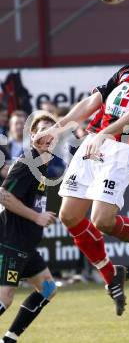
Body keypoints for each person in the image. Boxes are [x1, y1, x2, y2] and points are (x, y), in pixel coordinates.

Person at [35, 14, 129, 316]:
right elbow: (92, 102)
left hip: (122, 147)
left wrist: (103, 134)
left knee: (102, 220)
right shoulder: (128, 70)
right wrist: (55, 129)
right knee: (70, 216)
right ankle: (110, 274)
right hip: (95, 142)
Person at [0, 114, 57, 343]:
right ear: (33, 136)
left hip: (26, 245)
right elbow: (3, 195)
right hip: (11, 241)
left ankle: (9, 339)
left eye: (52, 130)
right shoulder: (28, 162)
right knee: (4, 297)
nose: (48, 134)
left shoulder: (44, 164)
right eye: (42, 130)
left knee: (48, 289)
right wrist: (37, 217)